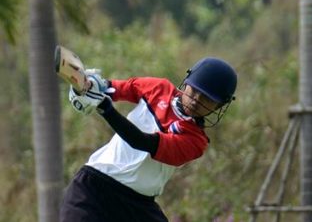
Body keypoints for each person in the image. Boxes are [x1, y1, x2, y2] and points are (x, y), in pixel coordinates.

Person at [59, 57, 238, 222]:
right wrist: (90, 85)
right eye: (195, 90)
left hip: (137, 205)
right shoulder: (159, 88)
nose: (196, 100)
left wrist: (105, 108)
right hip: (93, 187)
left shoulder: (195, 142)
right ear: (187, 82)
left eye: (207, 99)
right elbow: (110, 88)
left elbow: (141, 142)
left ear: (220, 105)